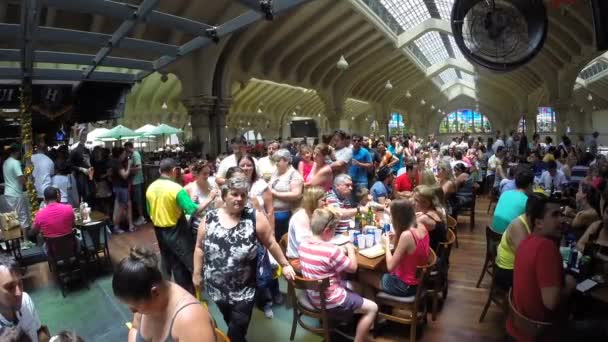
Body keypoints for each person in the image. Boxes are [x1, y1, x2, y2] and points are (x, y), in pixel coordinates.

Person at [192, 175, 296, 342]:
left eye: (243, 195)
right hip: (216, 288)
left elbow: (270, 242)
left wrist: (285, 264)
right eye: (235, 194)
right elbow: (199, 247)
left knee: (238, 326)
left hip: (244, 291)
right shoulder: (209, 218)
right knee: (229, 320)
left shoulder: (254, 217)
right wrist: (196, 273)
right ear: (225, 195)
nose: (239, 199)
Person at [298, 208, 377, 342]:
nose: (334, 233)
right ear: (327, 230)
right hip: (332, 301)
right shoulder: (331, 250)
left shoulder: (303, 244)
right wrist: (351, 249)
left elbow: (322, 256)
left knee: (361, 287)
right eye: (334, 230)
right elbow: (352, 268)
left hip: (314, 294)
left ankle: (351, 321)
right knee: (373, 308)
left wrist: (338, 250)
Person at [507, 195, 577, 341]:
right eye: (555, 215)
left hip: (517, 326)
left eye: (562, 214)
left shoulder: (526, 241)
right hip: (541, 332)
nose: (562, 219)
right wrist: (570, 286)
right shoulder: (546, 248)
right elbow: (551, 303)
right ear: (538, 223)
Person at [113, 247, 215, 342]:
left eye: (135, 308)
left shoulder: (191, 321)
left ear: (155, 292)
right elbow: (135, 328)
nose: (133, 311)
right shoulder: (143, 294)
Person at [146, 158, 208, 293]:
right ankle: (193, 293)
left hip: (159, 231)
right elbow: (193, 210)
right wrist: (210, 198)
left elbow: (149, 211)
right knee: (189, 261)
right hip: (176, 230)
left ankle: (166, 291)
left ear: (160, 170)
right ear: (174, 170)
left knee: (169, 261)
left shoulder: (150, 188)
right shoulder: (176, 188)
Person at [494, 193, 545, 290]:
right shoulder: (518, 226)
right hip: (507, 271)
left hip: (516, 268)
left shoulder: (533, 223)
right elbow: (526, 260)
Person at [0, 258, 49, 342]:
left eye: (20, 283)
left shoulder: (25, 300)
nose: (19, 293)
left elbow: (39, 331)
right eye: (10, 287)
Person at [286, 186, 326, 271]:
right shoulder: (301, 218)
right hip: (299, 261)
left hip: (309, 256)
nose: (326, 203)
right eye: (323, 200)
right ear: (314, 201)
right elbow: (306, 247)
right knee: (336, 266)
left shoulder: (313, 214)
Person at [269, 149, 303, 241]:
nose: (276, 163)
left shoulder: (294, 175)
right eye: (275, 160)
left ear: (287, 161)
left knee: (283, 242)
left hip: (286, 214)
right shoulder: (276, 172)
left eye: (278, 160)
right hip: (273, 213)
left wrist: (275, 193)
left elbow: (296, 194)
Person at [491, 166, 533, 234]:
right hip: (509, 238)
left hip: (493, 234)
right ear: (530, 185)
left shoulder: (505, 194)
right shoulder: (527, 201)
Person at [184, 161, 220, 236]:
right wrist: (209, 198)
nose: (207, 176)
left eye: (208, 173)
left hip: (213, 226)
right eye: (204, 174)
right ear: (196, 173)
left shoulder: (213, 185)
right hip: (197, 229)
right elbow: (188, 212)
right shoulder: (189, 189)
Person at [2, 144, 30, 234]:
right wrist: (27, 177)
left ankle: (18, 239)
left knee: (13, 217)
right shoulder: (16, 162)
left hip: (8, 193)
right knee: (22, 216)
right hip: (16, 193)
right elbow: (21, 179)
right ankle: (25, 240)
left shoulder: (5, 162)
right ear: (17, 152)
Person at [414, 185, 446, 251]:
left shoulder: (424, 219)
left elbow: (408, 235)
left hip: (430, 255)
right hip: (436, 250)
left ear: (426, 203)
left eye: (416, 200)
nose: (414, 203)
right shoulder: (436, 211)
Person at [109, 146, 133, 232]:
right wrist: (129, 165)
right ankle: (116, 227)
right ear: (120, 154)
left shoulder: (112, 161)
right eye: (123, 153)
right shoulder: (117, 163)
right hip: (121, 187)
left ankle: (118, 226)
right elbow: (125, 175)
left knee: (119, 207)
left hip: (116, 186)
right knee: (120, 208)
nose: (125, 155)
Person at [124, 142, 146, 226]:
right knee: (136, 200)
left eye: (126, 148)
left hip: (137, 181)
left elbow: (139, 167)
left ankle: (141, 217)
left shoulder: (135, 154)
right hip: (134, 181)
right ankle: (140, 216)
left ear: (129, 147)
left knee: (138, 199)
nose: (125, 150)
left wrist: (129, 169)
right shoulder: (132, 155)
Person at [31, 136, 54, 207]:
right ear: (46, 148)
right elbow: (52, 175)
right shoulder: (50, 161)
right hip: (46, 192)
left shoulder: (30, 159)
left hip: (33, 191)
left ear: (36, 147)